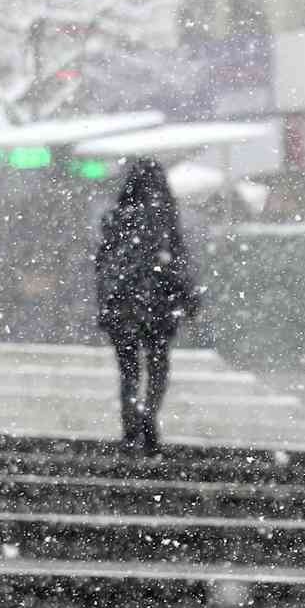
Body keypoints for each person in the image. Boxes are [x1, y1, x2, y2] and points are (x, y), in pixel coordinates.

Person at [94, 157, 200, 454]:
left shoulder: (115, 218)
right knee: (157, 365)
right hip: (157, 305)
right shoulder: (165, 218)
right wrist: (188, 297)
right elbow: (176, 263)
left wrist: (107, 302)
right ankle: (149, 412)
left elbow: (102, 265)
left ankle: (130, 426)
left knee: (128, 370)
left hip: (121, 306)